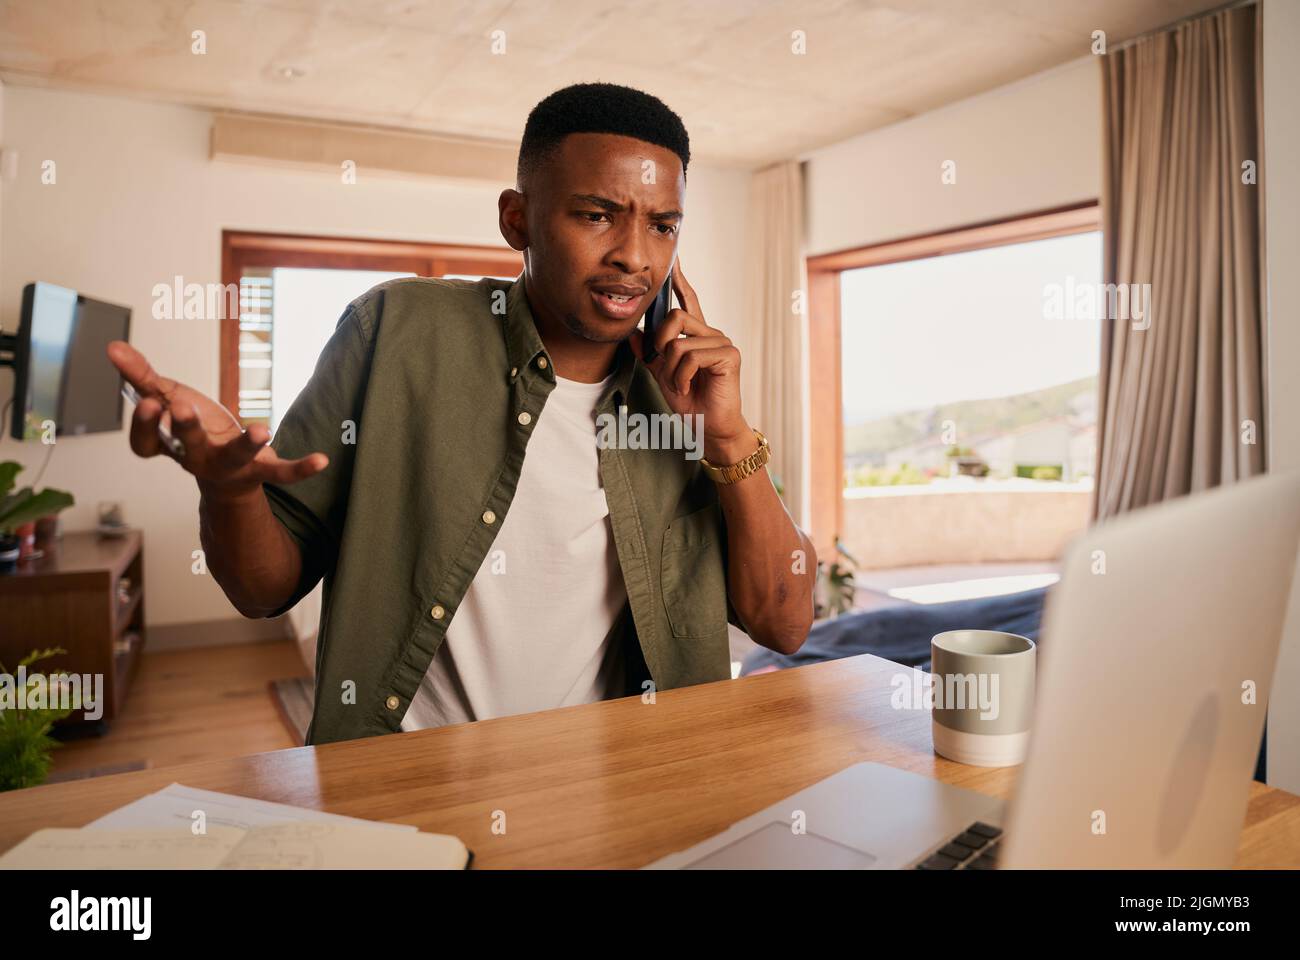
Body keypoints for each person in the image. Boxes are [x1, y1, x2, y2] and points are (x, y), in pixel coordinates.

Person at [108, 82, 816, 745]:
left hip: (622, 787)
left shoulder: (686, 395)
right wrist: (229, 491)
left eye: (663, 226)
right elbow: (264, 591)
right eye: (596, 215)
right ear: (518, 219)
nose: (635, 255)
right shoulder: (395, 330)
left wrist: (726, 436)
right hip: (404, 783)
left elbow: (784, 625)